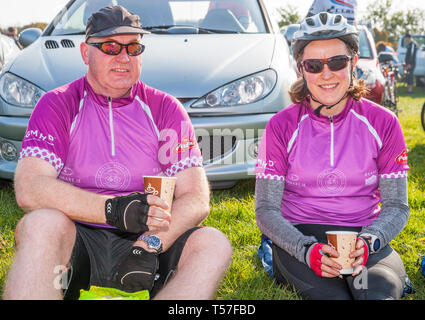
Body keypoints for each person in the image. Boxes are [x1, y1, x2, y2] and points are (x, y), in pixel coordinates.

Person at [3, 5, 232, 300]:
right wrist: (114, 210)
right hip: (76, 236)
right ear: (86, 53)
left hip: (146, 246)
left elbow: (196, 197)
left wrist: (150, 243)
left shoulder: (165, 108)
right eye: (111, 47)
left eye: (133, 47)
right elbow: (30, 188)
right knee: (38, 224)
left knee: (214, 243)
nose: (124, 57)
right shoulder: (57, 104)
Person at [255, 12, 409, 300]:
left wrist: (370, 241)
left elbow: (397, 206)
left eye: (337, 62)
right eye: (314, 65)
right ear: (301, 70)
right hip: (302, 237)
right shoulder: (281, 126)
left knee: (374, 294)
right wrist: (304, 248)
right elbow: (265, 209)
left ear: (352, 62)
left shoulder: (383, 123)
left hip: (363, 236)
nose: (326, 74)